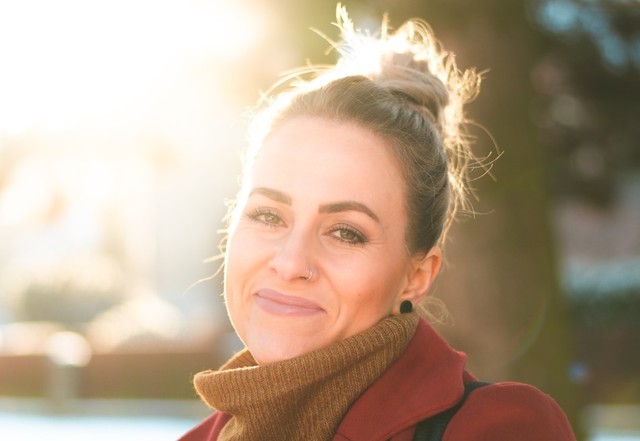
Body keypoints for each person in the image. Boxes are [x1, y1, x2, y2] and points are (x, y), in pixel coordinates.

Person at [179, 6, 576, 441]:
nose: (291, 263)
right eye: (268, 215)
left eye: (345, 232)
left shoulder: (500, 429)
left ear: (416, 277)